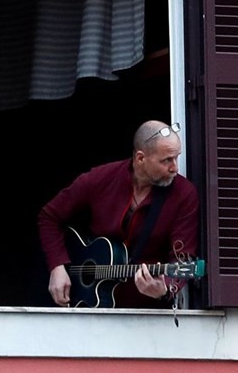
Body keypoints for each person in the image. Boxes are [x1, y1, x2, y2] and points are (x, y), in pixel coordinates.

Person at [37, 120, 200, 308]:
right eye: (166, 160)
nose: (175, 168)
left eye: (176, 157)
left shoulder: (184, 194)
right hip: (88, 306)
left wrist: (165, 288)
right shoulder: (100, 179)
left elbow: (184, 258)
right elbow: (49, 217)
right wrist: (57, 266)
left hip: (145, 313)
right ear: (140, 158)